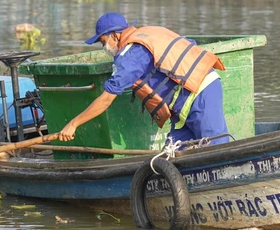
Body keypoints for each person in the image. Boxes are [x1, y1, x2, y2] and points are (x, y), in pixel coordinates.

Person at [58, 13, 230, 146]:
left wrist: (73, 124)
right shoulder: (150, 32)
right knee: (170, 160)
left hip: (199, 94)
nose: (105, 48)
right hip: (182, 108)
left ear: (115, 36)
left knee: (217, 149)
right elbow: (188, 43)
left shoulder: (130, 57)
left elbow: (105, 100)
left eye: (103, 42)